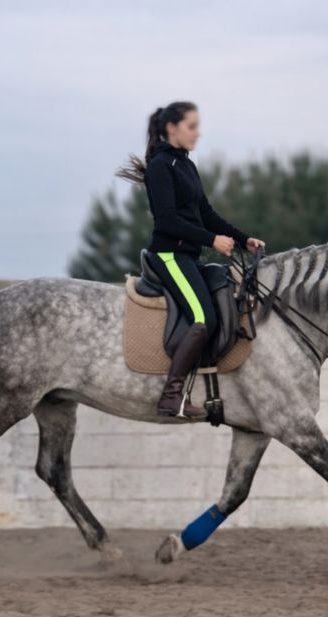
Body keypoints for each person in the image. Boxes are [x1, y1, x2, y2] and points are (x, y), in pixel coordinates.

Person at [117, 101, 264, 418]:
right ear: (172, 128)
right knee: (203, 318)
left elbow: (206, 214)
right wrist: (211, 240)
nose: (198, 133)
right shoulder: (160, 167)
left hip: (187, 255)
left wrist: (242, 238)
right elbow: (167, 220)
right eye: (192, 126)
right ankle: (171, 397)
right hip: (169, 256)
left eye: (198, 126)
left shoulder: (186, 165)